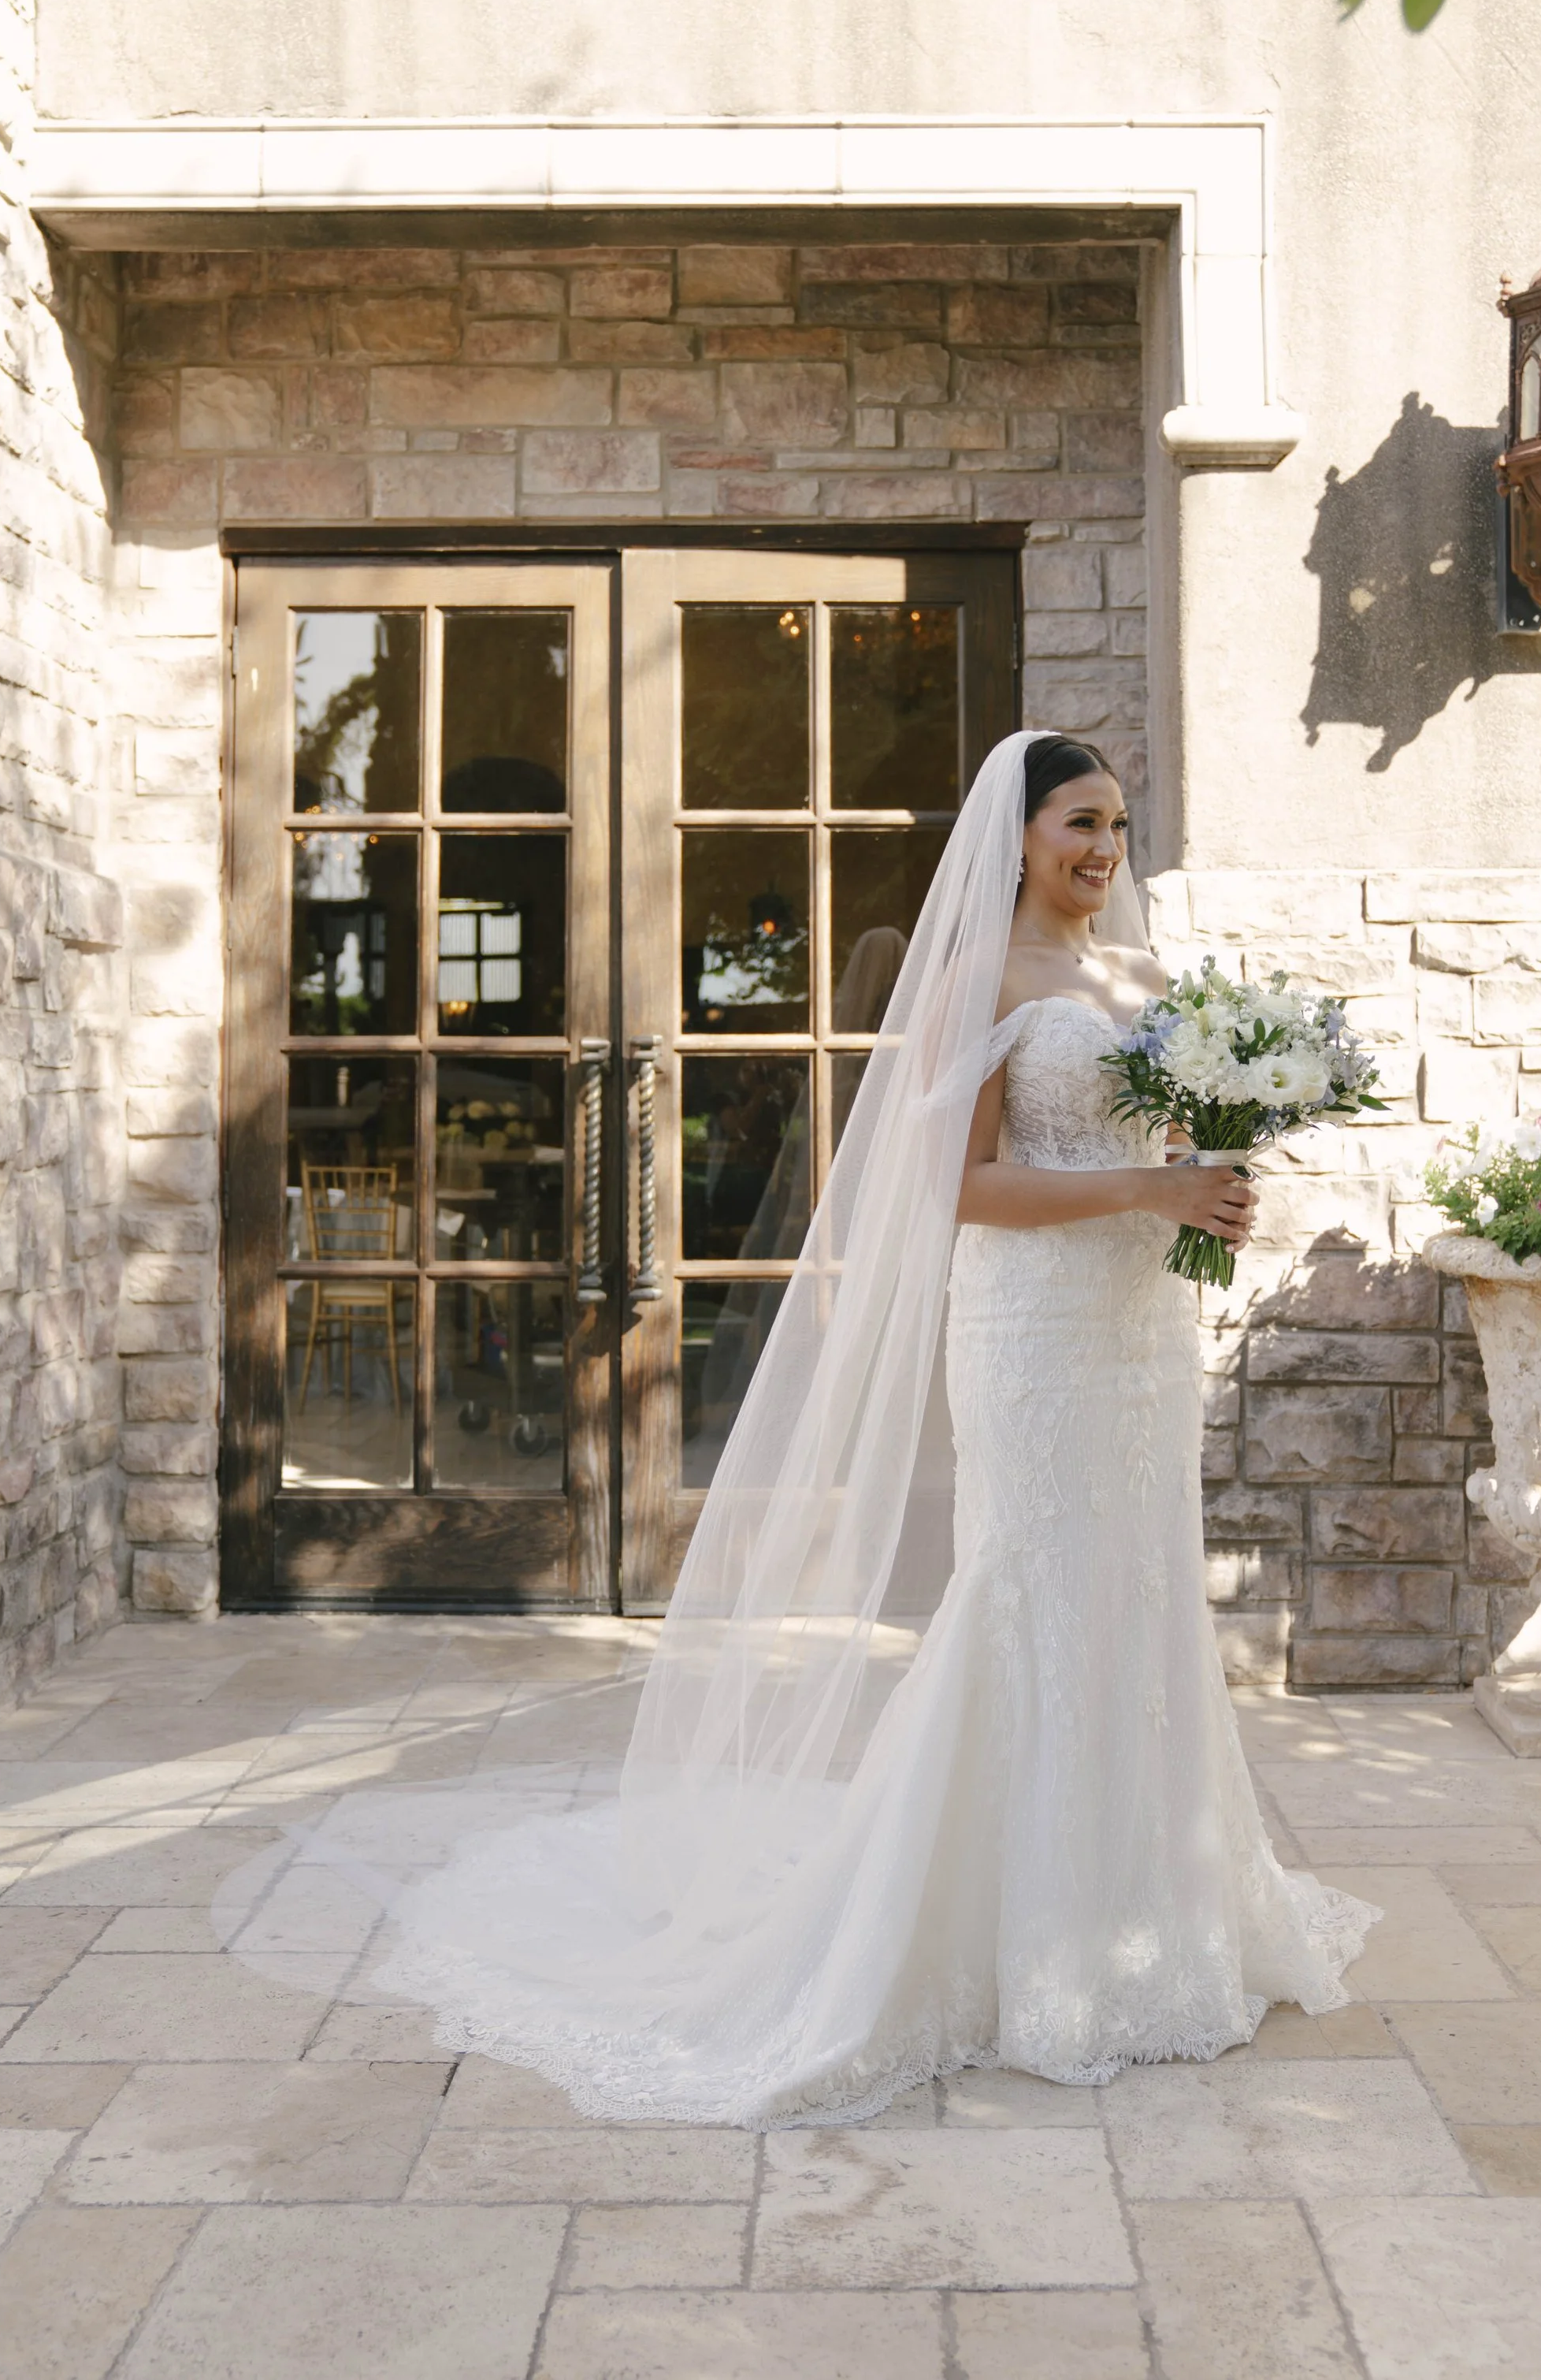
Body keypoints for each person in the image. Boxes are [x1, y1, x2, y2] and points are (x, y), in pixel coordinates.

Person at [351, 730, 1375, 2125]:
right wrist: (1146, 1190)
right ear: (1017, 834)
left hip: (1143, 1333)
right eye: (1081, 819)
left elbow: (1166, 1163)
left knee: (1140, 1595)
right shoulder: (976, 979)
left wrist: (1205, 1188)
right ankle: (997, 1939)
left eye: (1120, 825)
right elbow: (957, 1188)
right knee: (1031, 1593)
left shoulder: (1147, 981)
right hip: (1031, 1332)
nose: (1103, 848)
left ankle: (1154, 1916)